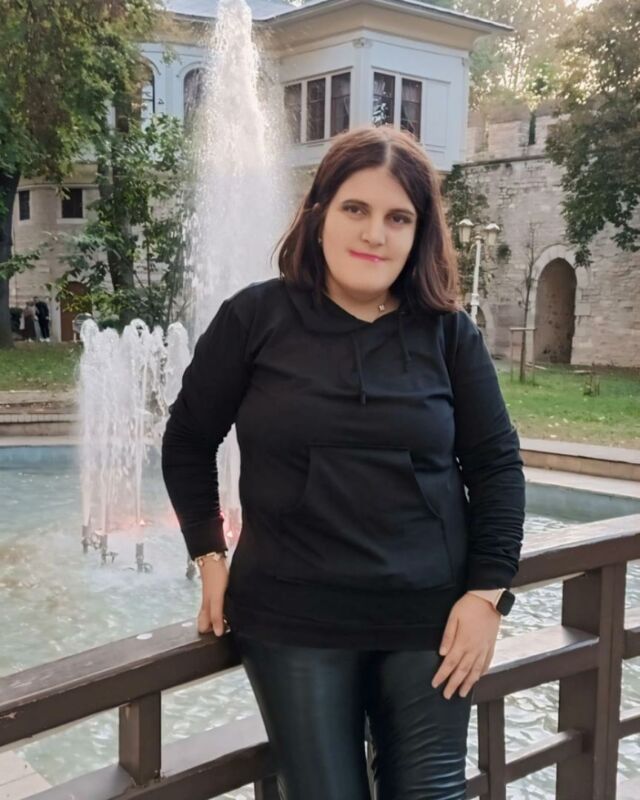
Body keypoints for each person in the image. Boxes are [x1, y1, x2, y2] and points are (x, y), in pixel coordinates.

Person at [162, 126, 525, 800]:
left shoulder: (448, 333)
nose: (374, 234)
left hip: (429, 621)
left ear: (420, 233)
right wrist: (208, 554)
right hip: (293, 620)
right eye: (356, 208)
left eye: (398, 218)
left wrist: (487, 595)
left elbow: (496, 465)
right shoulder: (255, 318)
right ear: (319, 211)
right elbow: (187, 439)